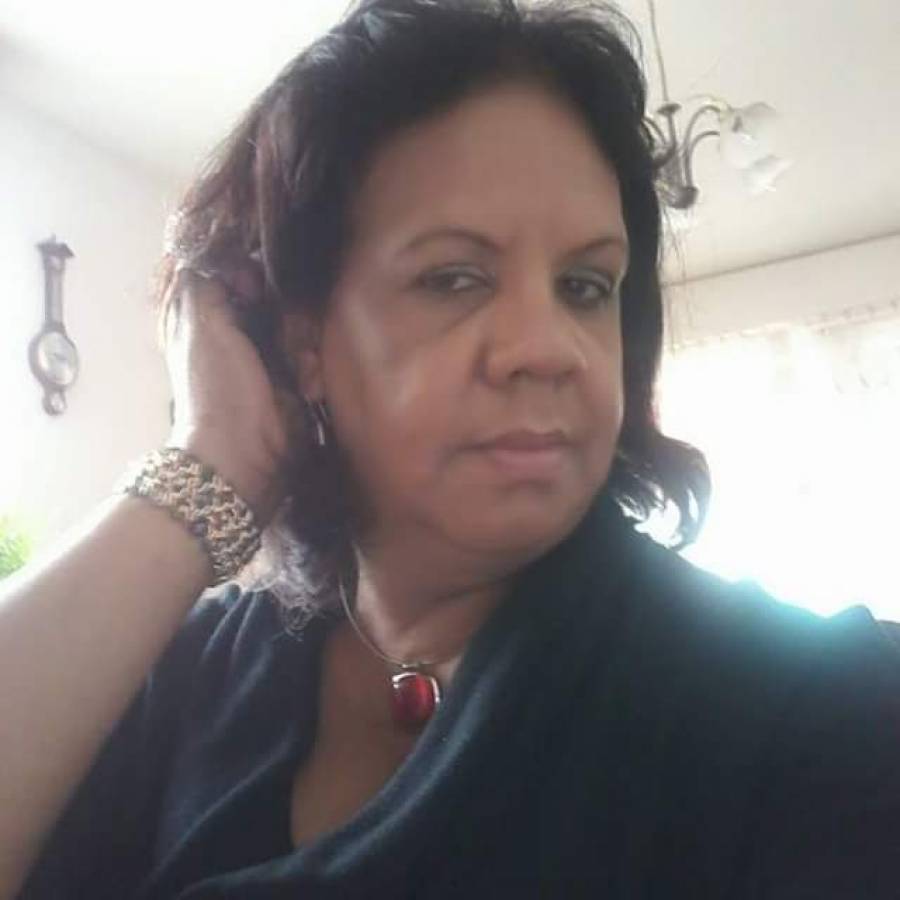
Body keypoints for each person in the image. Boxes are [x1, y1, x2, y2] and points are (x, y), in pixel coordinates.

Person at [3, 0, 899, 897]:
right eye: (454, 278)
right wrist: (206, 462)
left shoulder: (809, 707)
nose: (550, 349)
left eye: (586, 286)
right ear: (306, 343)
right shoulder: (181, 676)